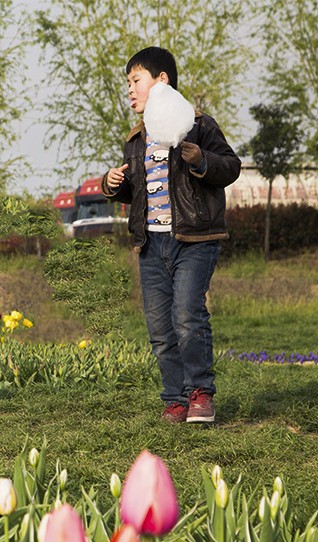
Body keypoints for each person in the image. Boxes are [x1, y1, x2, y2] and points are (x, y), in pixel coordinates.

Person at [101, 46, 240, 424]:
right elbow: (138, 193)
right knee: (161, 328)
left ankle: (200, 394)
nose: (130, 90)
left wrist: (202, 161)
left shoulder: (198, 125)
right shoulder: (136, 140)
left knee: (187, 316)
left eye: (136, 81)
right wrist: (113, 184)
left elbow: (231, 167)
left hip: (194, 240)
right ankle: (175, 399)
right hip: (151, 244)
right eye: (127, 83)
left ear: (162, 81)